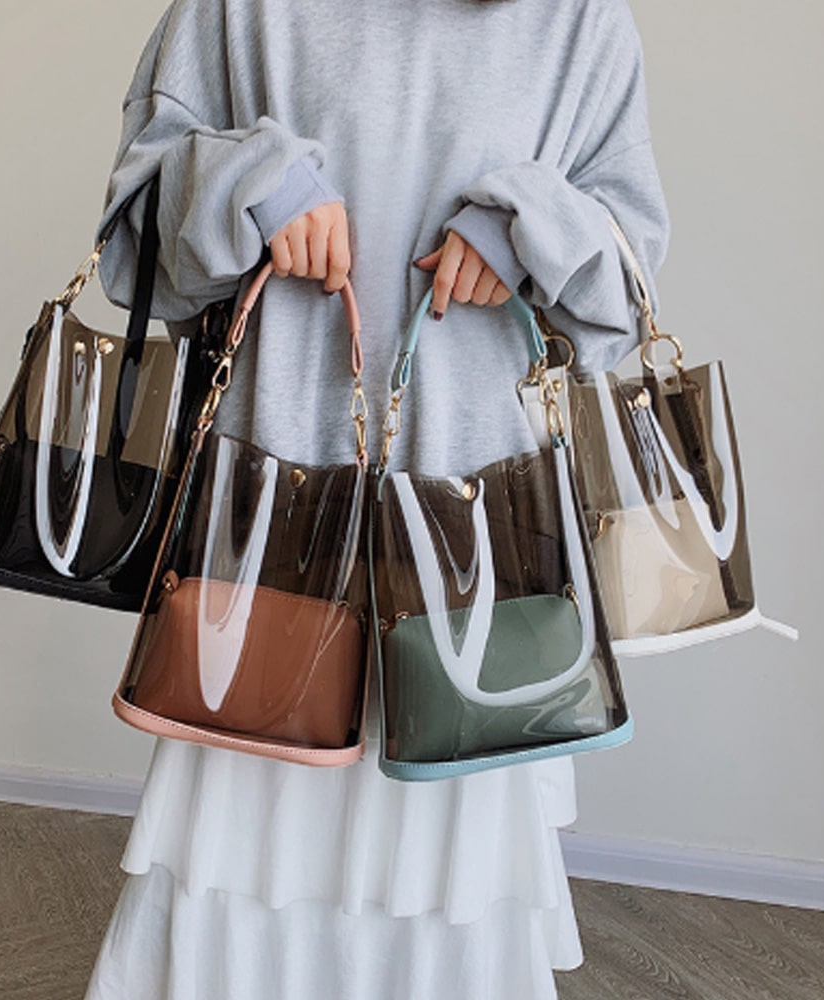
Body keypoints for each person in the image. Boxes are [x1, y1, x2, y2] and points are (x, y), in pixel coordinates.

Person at [84, 0, 669, 997]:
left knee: (448, 874)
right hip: (275, 524)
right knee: (245, 851)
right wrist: (257, 189)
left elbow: (626, 280)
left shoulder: (577, 21)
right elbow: (134, 242)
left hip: (471, 536)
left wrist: (531, 228)